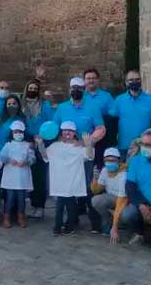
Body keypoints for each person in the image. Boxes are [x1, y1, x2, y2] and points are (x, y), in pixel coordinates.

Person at [52, 77, 105, 232]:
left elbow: (101, 128)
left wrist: (88, 141)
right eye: (73, 87)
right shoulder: (61, 108)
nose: (76, 90)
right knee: (68, 189)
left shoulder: (93, 106)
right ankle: (72, 221)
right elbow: (54, 128)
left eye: (80, 88)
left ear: (84, 89)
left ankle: (96, 224)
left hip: (84, 152)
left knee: (88, 188)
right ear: (69, 89)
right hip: (67, 156)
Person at [35, 121, 94, 236]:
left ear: (75, 133)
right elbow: (45, 156)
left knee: (69, 204)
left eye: (70, 131)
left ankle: (65, 226)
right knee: (61, 204)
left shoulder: (79, 146)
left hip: (73, 181)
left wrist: (88, 145)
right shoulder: (55, 146)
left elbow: (89, 156)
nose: (67, 133)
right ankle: (61, 226)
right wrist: (41, 145)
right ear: (61, 132)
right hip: (60, 181)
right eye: (65, 130)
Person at [19, 70, 53, 219]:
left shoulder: (44, 105)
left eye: (35, 89)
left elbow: (50, 123)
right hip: (25, 142)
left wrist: (42, 138)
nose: (32, 91)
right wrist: (28, 137)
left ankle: (40, 206)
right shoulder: (21, 105)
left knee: (39, 176)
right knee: (28, 176)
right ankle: (31, 205)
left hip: (41, 144)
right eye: (30, 89)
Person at [110, 70, 151, 160]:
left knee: (144, 172)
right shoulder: (119, 100)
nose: (135, 82)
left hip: (145, 146)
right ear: (126, 82)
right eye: (131, 80)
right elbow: (112, 123)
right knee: (125, 173)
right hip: (124, 146)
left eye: (137, 79)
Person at [0, 120, 35, 228]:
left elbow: (33, 158)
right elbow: (2, 157)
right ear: (12, 133)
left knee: (21, 199)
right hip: (10, 176)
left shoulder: (27, 145)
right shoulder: (8, 144)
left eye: (20, 131)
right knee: (9, 198)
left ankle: (21, 217)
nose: (18, 134)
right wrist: (9, 160)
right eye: (15, 132)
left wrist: (26, 162)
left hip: (22, 177)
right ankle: (6, 217)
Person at [90, 147, 128, 244]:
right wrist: (95, 178)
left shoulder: (124, 175)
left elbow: (121, 201)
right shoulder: (104, 170)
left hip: (124, 201)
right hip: (111, 198)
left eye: (113, 160)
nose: (109, 163)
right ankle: (109, 221)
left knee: (125, 215)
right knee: (95, 200)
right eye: (107, 160)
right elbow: (96, 191)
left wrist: (114, 228)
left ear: (118, 161)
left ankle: (117, 223)